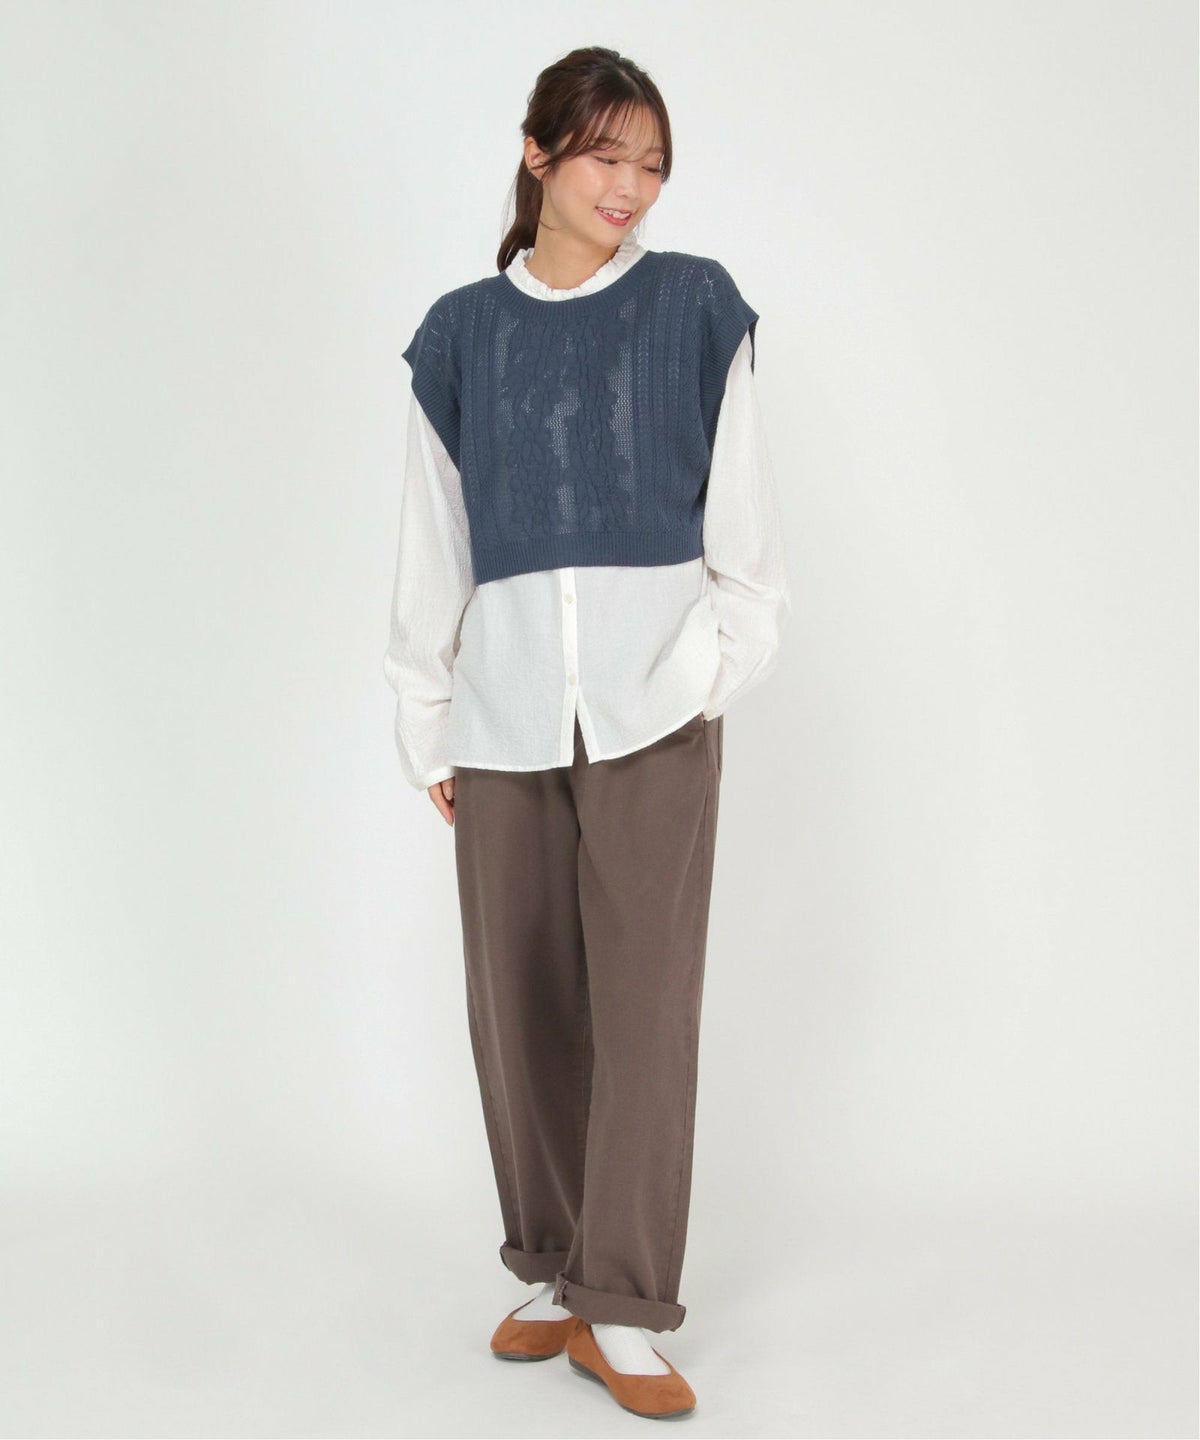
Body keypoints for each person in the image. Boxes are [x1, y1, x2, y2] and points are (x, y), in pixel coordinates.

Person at [383, 44, 790, 1421]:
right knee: (521, 1006)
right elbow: (432, 545)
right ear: (539, 153)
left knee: (646, 1009)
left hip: (653, 713)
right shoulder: (458, 336)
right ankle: (556, 1268)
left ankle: (625, 1300)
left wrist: (705, 673)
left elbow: (747, 539)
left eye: (652, 164)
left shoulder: (696, 309)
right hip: (500, 719)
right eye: (608, 155)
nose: (632, 186)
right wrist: (428, 721)